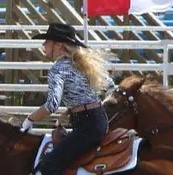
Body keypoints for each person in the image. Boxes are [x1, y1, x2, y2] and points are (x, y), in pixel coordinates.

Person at [21, 22, 116, 175]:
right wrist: (77, 107)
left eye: (47, 42)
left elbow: (51, 105)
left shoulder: (58, 69)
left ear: (58, 45)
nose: (43, 45)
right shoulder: (84, 64)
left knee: (48, 166)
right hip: (97, 120)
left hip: (86, 126)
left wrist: (30, 119)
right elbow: (111, 88)